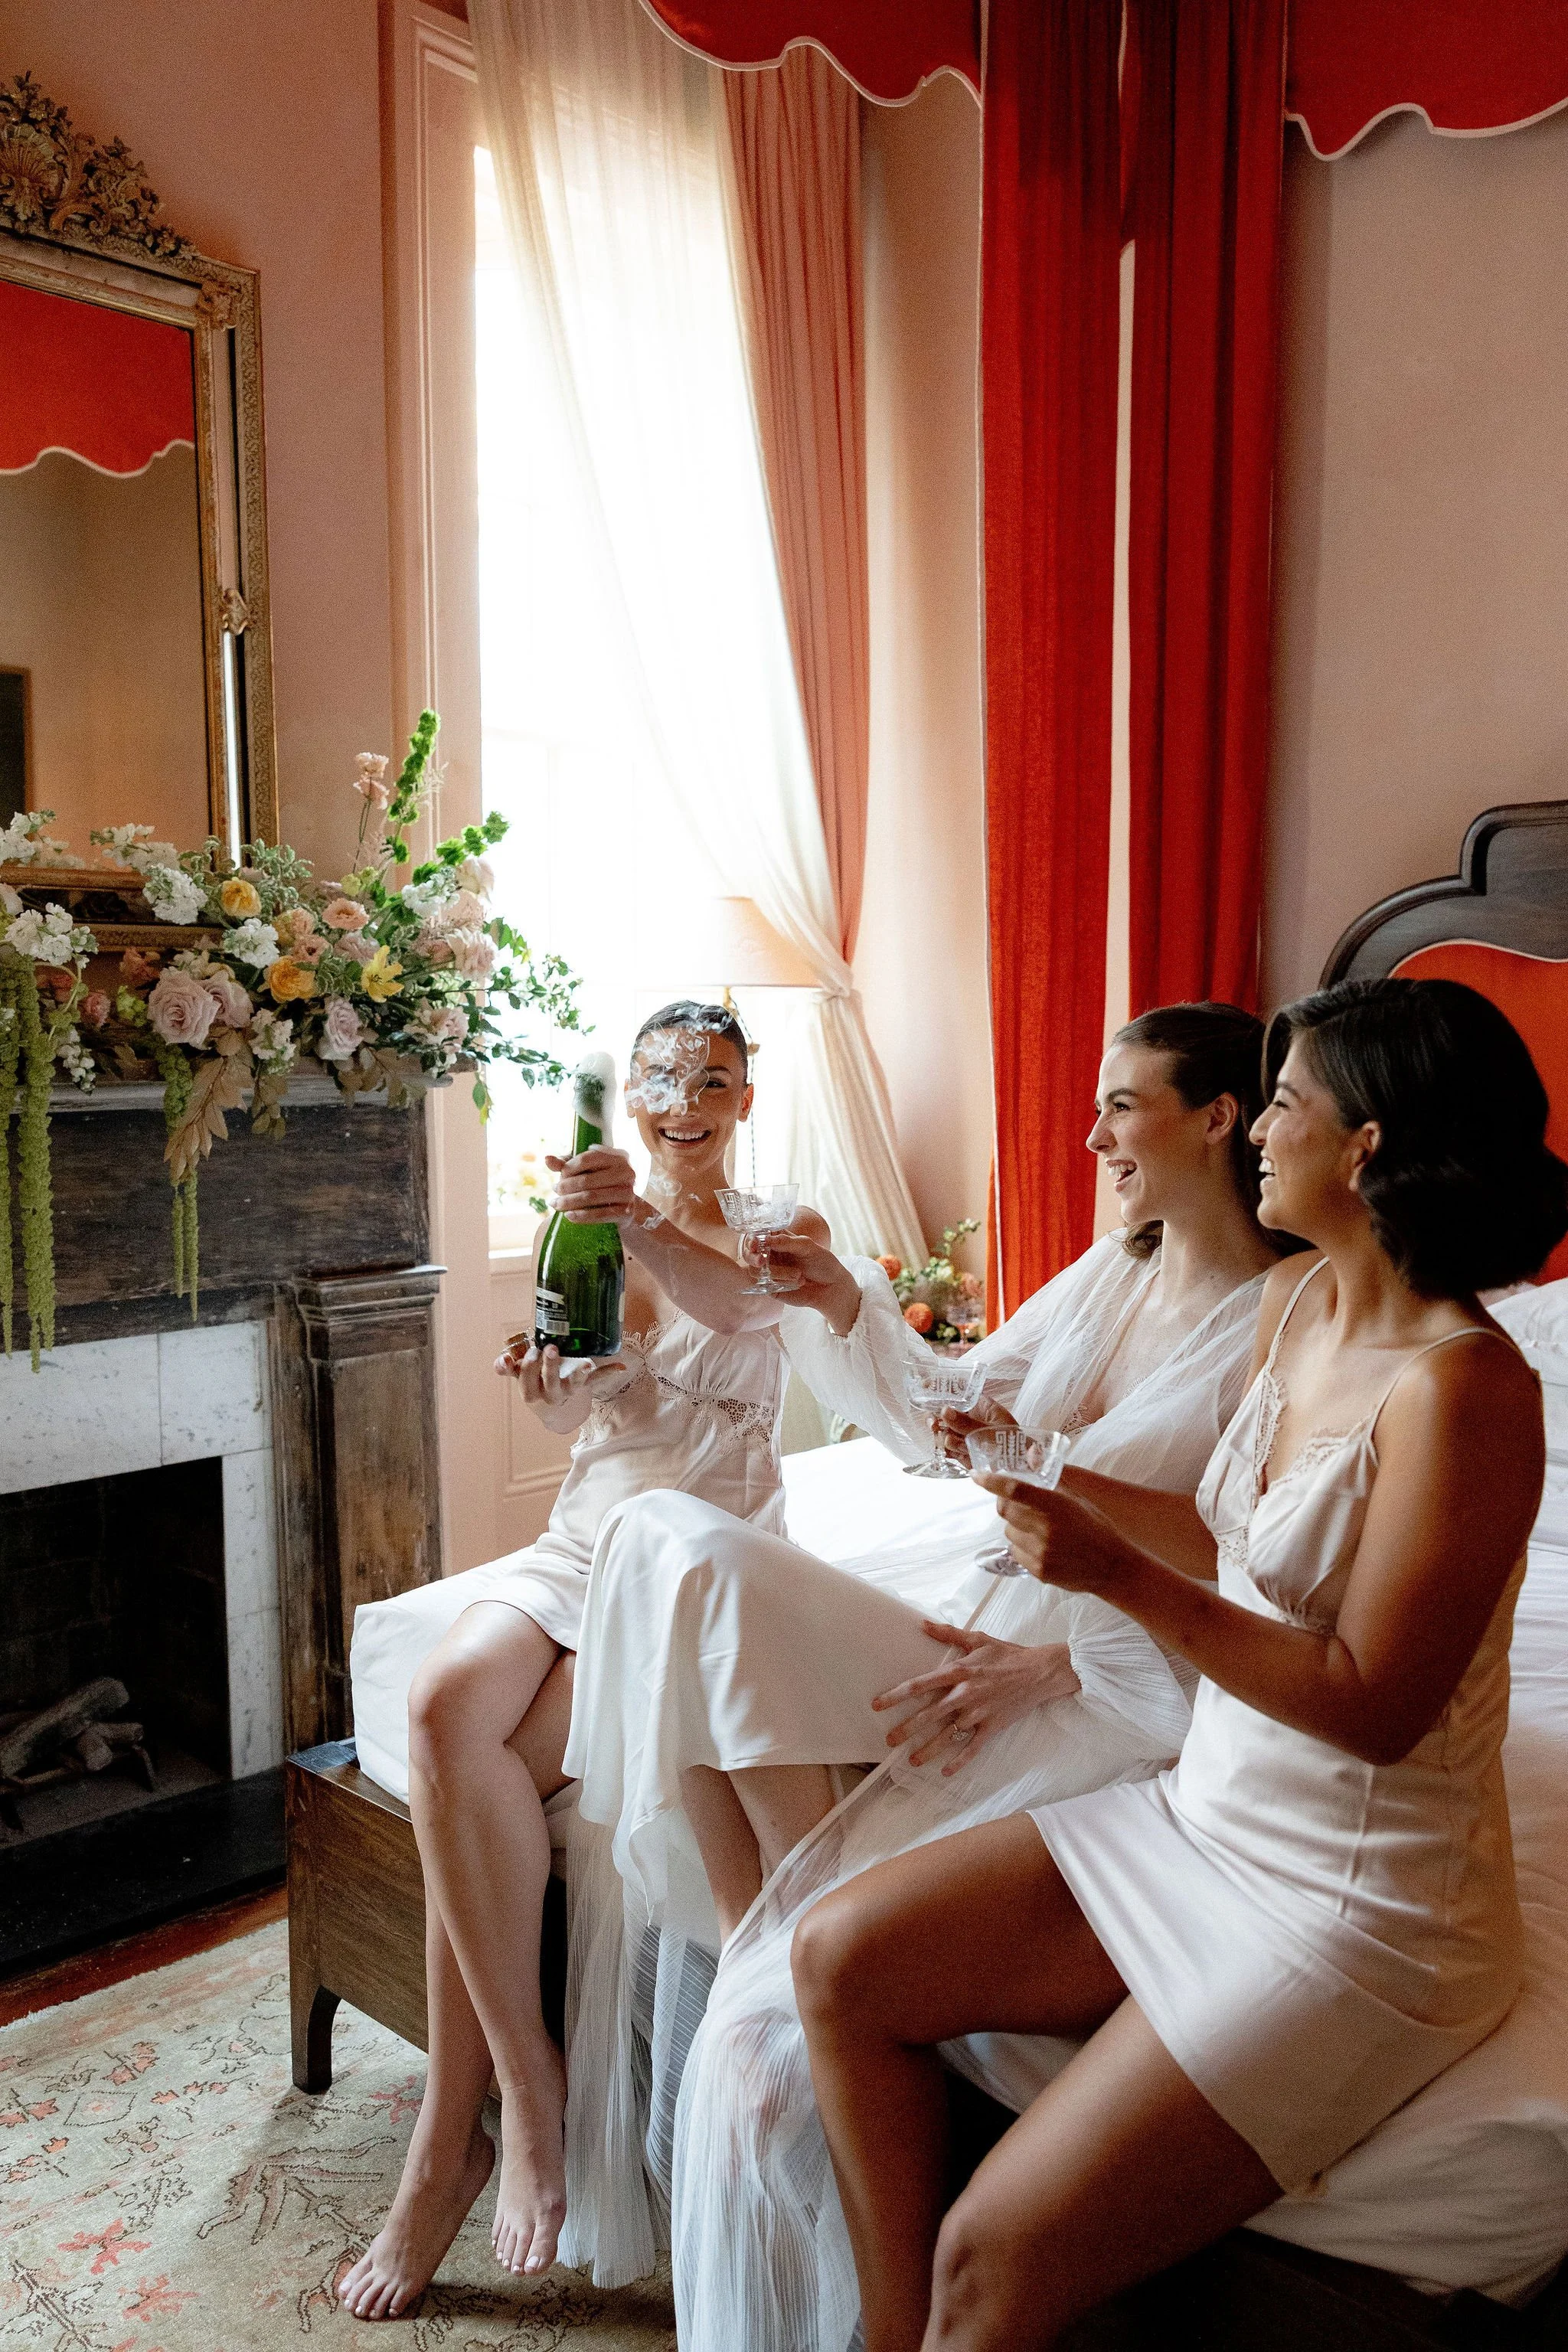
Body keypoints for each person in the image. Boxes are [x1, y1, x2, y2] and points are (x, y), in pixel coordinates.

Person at [790, 976, 1567, 2352]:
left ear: (1366, 1144)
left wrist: (1116, 1581)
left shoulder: (1469, 1391)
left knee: (995, 2255)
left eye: (1280, 1103)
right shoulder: (1298, 1309)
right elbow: (1226, 1537)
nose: (1254, 1133)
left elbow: (1376, 1707)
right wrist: (1058, 1494)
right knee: (841, 1957)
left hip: (1355, 1901)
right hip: (1199, 1816)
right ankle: (886, 2337)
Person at [554, 1002, 1292, 2337]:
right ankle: (764, 1956)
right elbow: (952, 1422)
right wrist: (846, 1304)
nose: (1094, 1131)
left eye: (1122, 1103)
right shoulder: (1113, 1269)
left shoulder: (1286, 1318)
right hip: (988, 1618)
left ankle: (769, 1979)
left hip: (1116, 1685)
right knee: (663, 1537)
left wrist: (1059, 1664)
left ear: (1219, 1118)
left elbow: (1255, 1566)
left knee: (708, 1573)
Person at [338, 1001, 830, 2321]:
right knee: (446, 1707)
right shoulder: (587, 1225)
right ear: (637, 1091)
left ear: (742, 1095)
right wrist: (550, 1382)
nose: (684, 1101)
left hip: (696, 1559)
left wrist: (642, 1217)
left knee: (476, 1770)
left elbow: (742, 1306)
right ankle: (527, 2083)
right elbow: (582, 1398)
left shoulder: (783, 1224)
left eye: (711, 1080)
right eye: (662, 1077)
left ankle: (466, 2140)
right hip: (583, 1538)